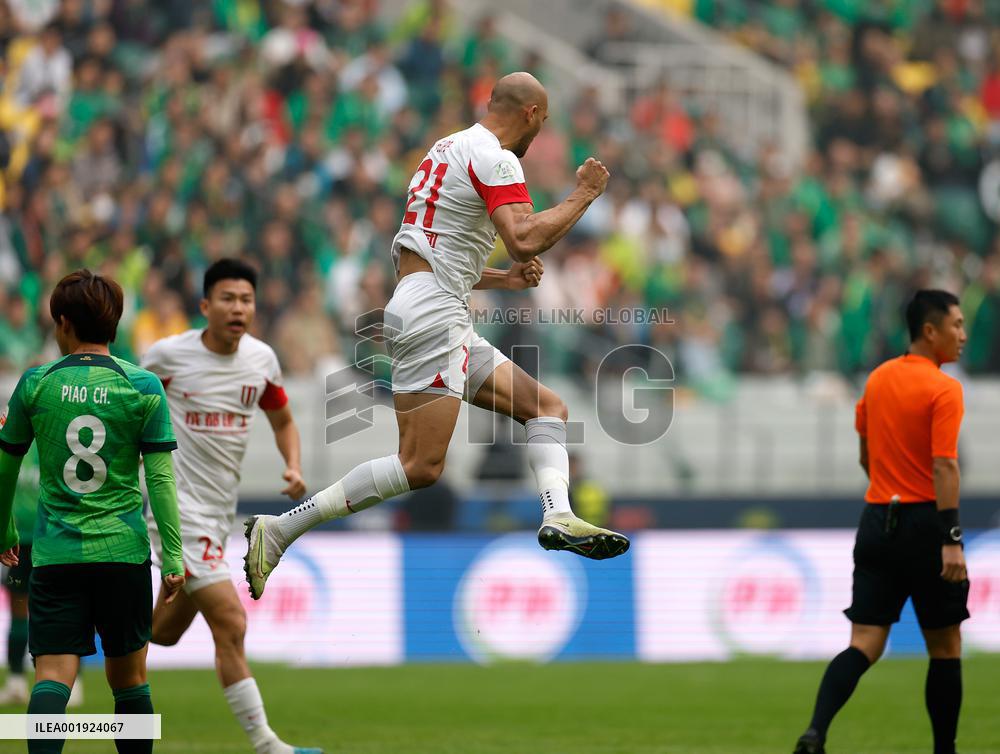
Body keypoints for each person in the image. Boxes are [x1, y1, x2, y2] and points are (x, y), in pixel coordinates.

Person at [245, 71, 629, 601]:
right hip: (435, 313)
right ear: (532, 115)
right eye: (543, 122)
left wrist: (501, 279)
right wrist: (584, 194)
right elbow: (522, 238)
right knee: (420, 466)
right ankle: (281, 528)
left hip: (430, 302)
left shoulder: (445, 148)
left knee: (547, 409)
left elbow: (429, 256)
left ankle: (558, 514)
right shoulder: (497, 156)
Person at [0, 269, 185, 754]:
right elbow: (161, 479)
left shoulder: (36, 384)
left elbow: (4, 470)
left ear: (63, 323)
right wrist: (172, 556)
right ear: (115, 324)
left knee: (52, 679)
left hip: (56, 554)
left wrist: (3, 530)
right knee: (129, 681)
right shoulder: (143, 386)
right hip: (123, 555)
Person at [142, 259, 322, 754]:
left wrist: (293, 465)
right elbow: (127, 404)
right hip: (174, 507)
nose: (238, 308)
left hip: (219, 513)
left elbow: (283, 419)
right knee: (232, 623)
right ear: (205, 306)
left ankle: (93, 619)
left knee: (164, 632)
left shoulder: (262, 360)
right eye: (227, 298)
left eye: (246, 300)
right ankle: (267, 745)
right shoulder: (166, 357)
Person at [793, 290, 970, 754]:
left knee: (865, 643)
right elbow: (945, 466)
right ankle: (944, 750)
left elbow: (865, 453)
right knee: (945, 647)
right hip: (927, 525)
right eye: (957, 325)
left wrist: (887, 490)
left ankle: (816, 731)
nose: (963, 335)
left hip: (876, 520)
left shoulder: (877, 379)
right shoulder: (944, 387)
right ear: (929, 331)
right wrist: (950, 538)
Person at [0, 443, 83, 709]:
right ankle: (15, 681)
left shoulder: (55, 436)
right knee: (19, 608)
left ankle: (72, 682)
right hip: (19, 541)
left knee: (62, 611)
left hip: (54, 538)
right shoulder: (12, 438)